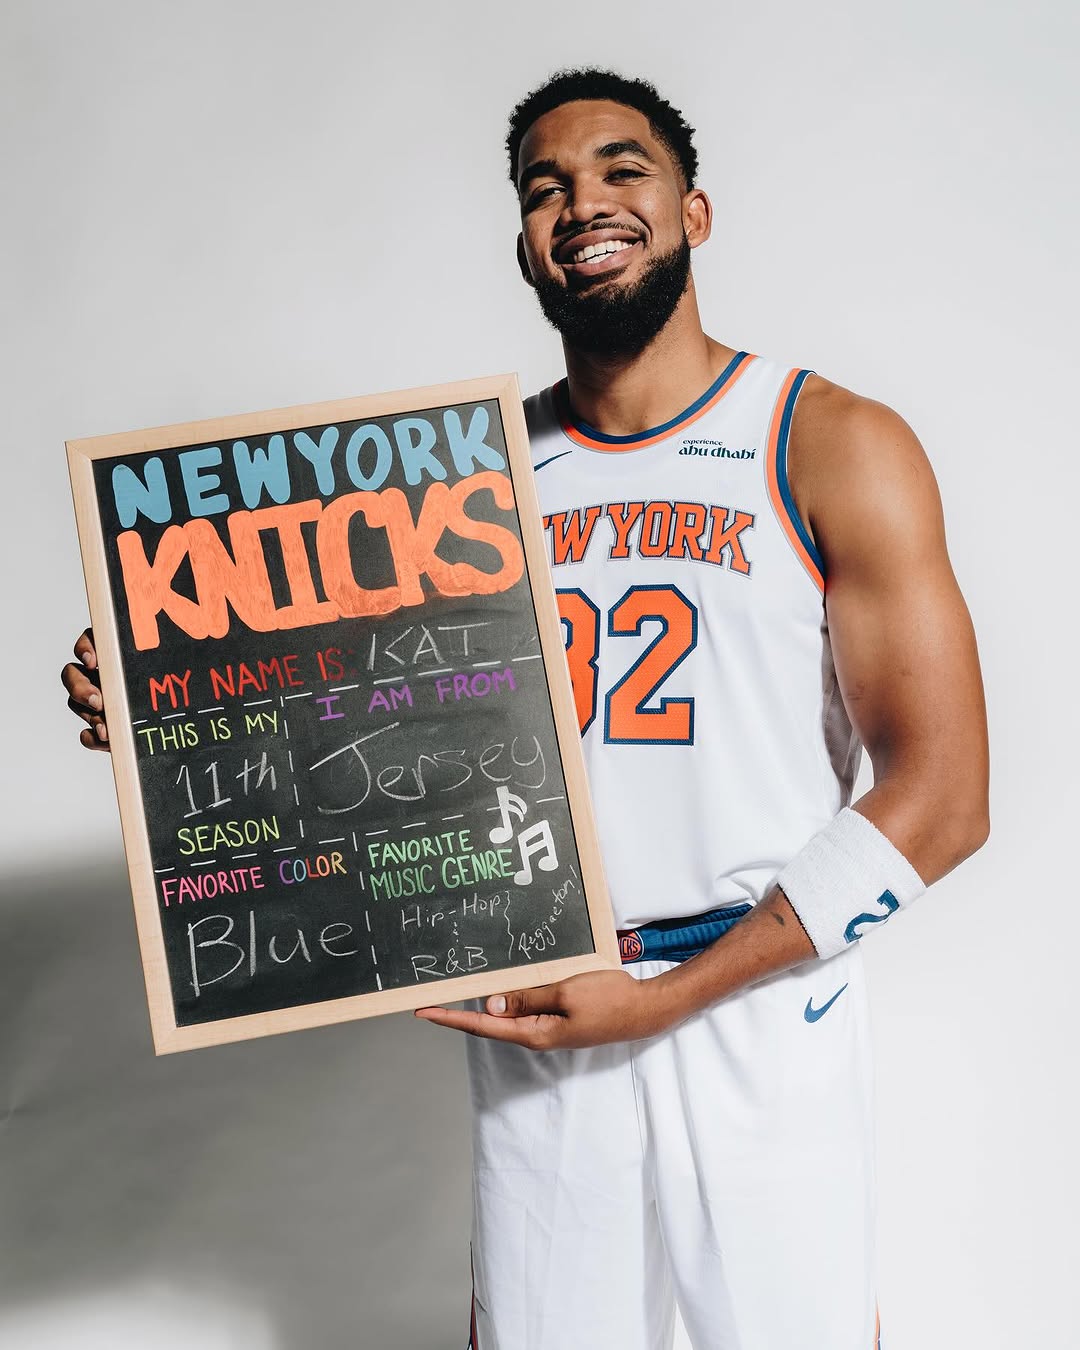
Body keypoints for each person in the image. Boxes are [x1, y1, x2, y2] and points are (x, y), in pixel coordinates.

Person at [62, 68, 989, 1350]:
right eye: (546, 189)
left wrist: (671, 995)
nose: (585, 203)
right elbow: (367, 738)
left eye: (623, 169)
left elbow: (943, 803)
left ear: (695, 212)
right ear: (523, 245)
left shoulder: (828, 441)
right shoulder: (464, 490)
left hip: (762, 1000)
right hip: (537, 994)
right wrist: (173, 705)